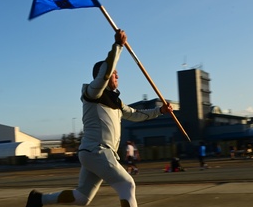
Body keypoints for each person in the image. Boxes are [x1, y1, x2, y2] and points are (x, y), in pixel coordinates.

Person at [25, 29, 173, 207]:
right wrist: (118, 46)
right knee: (127, 184)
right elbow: (104, 74)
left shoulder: (116, 102)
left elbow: (135, 115)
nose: (117, 75)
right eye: (114, 73)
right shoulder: (91, 93)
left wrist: (161, 111)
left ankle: (38, 199)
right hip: (97, 151)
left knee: (81, 197)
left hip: (93, 153)